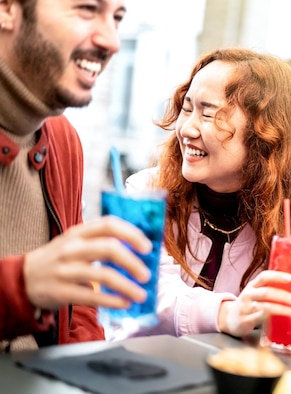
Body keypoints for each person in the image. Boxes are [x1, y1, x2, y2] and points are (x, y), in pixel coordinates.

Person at [125, 48, 291, 338]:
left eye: (209, 113)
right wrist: (228, 313)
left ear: (264, 133)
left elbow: (287, 343)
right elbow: (140, 293)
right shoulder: (143, 194)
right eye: (187, 108)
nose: (186, 129)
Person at [0, 0, 154, 351]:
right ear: (7, 8)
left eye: (117, 18)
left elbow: (77, 296)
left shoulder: (63, 139)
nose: (112, 40)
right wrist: (22, 286)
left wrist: (88, 368)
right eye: (87, 9)